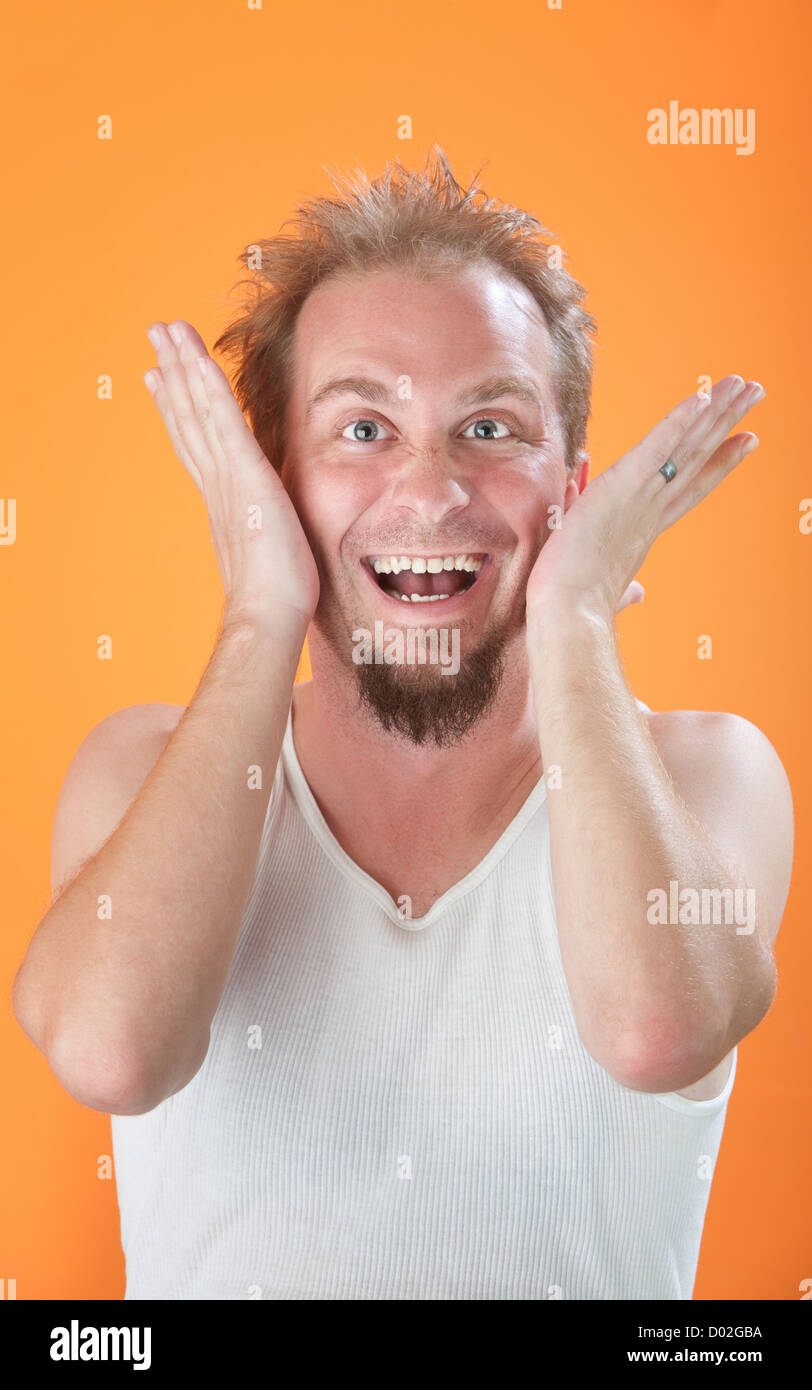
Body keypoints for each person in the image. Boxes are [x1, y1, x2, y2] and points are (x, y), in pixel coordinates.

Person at [12, 146, 793, 1300]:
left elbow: (653, 1032)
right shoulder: (136, 767)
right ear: (274, 488)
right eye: (361, 429)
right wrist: (263, 607)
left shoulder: (708, 773)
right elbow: (111, 1050)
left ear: (572, 494)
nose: (429, 491)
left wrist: (571, 614)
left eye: (490, 428)